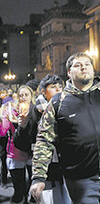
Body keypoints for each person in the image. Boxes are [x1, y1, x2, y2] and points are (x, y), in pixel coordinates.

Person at [30, 52, 100, 204]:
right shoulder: (58, 102)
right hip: (80, 181)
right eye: (78, 65)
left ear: (93, 69)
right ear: (69, 72)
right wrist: (38, 177)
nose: (83, 68)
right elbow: (44, 140)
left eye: (87, 64)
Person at [13, 75, 69, 204]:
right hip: (45, 171)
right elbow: (21, 144)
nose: (58, 90)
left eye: (60, 87)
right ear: (43, 91)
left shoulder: (66, 107)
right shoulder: (35, 112)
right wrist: (22, 126)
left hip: (66, 168)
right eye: (53, 87)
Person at [0, 85, 34, 204]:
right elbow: (3, 131)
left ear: (31, 96)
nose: (23, 97)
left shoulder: (35, 111)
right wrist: (5, 119)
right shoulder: (11, 112)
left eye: (26, 95)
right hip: (15, 153)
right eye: (21, 95)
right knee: (19, 188)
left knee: (32, 187)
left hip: (31, 153)